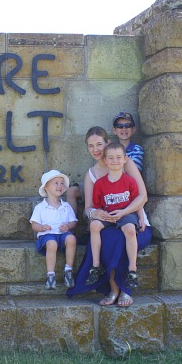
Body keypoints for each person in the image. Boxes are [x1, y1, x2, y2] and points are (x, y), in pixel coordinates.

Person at [66, 126, 152, 307]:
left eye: (99, 144)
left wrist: (125, 212)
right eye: (91, 146)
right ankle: (113, 288)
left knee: (120, 238)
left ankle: (124, 290)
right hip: (108, 222)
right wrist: (94, 213)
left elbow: (142, 196)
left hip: (133, 221)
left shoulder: (124, 162)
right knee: (108, 237)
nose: (95, 149)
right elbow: (87, 209)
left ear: (107, 143)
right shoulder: (91, 175)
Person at [87, 142, 141, 290]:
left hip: (125, 213)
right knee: (94, 225)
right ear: (105, 160)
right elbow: (96, 205)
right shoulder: (100, 184)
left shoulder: (129, 180)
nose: (115, 161)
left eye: (118, 157)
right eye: (110, 158)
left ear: (125, 159)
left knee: (130, 229)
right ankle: (96, 265)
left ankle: (132, 269)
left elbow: (138, 200)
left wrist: (140, 217)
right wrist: (100, 214)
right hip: (108, 214)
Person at [30, 170, 78, 289]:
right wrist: (41, 227)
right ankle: (50, 275)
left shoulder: (66, 206)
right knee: (51, 244)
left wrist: (68, 226)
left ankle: (68, 270)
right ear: (46, 187)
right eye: (56, 183)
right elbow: (34, 224)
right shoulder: (40, 207)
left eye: (62, 183)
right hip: (47, 235)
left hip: (63, 234)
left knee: (71, 238)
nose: (60, 186)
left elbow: (74, 221)